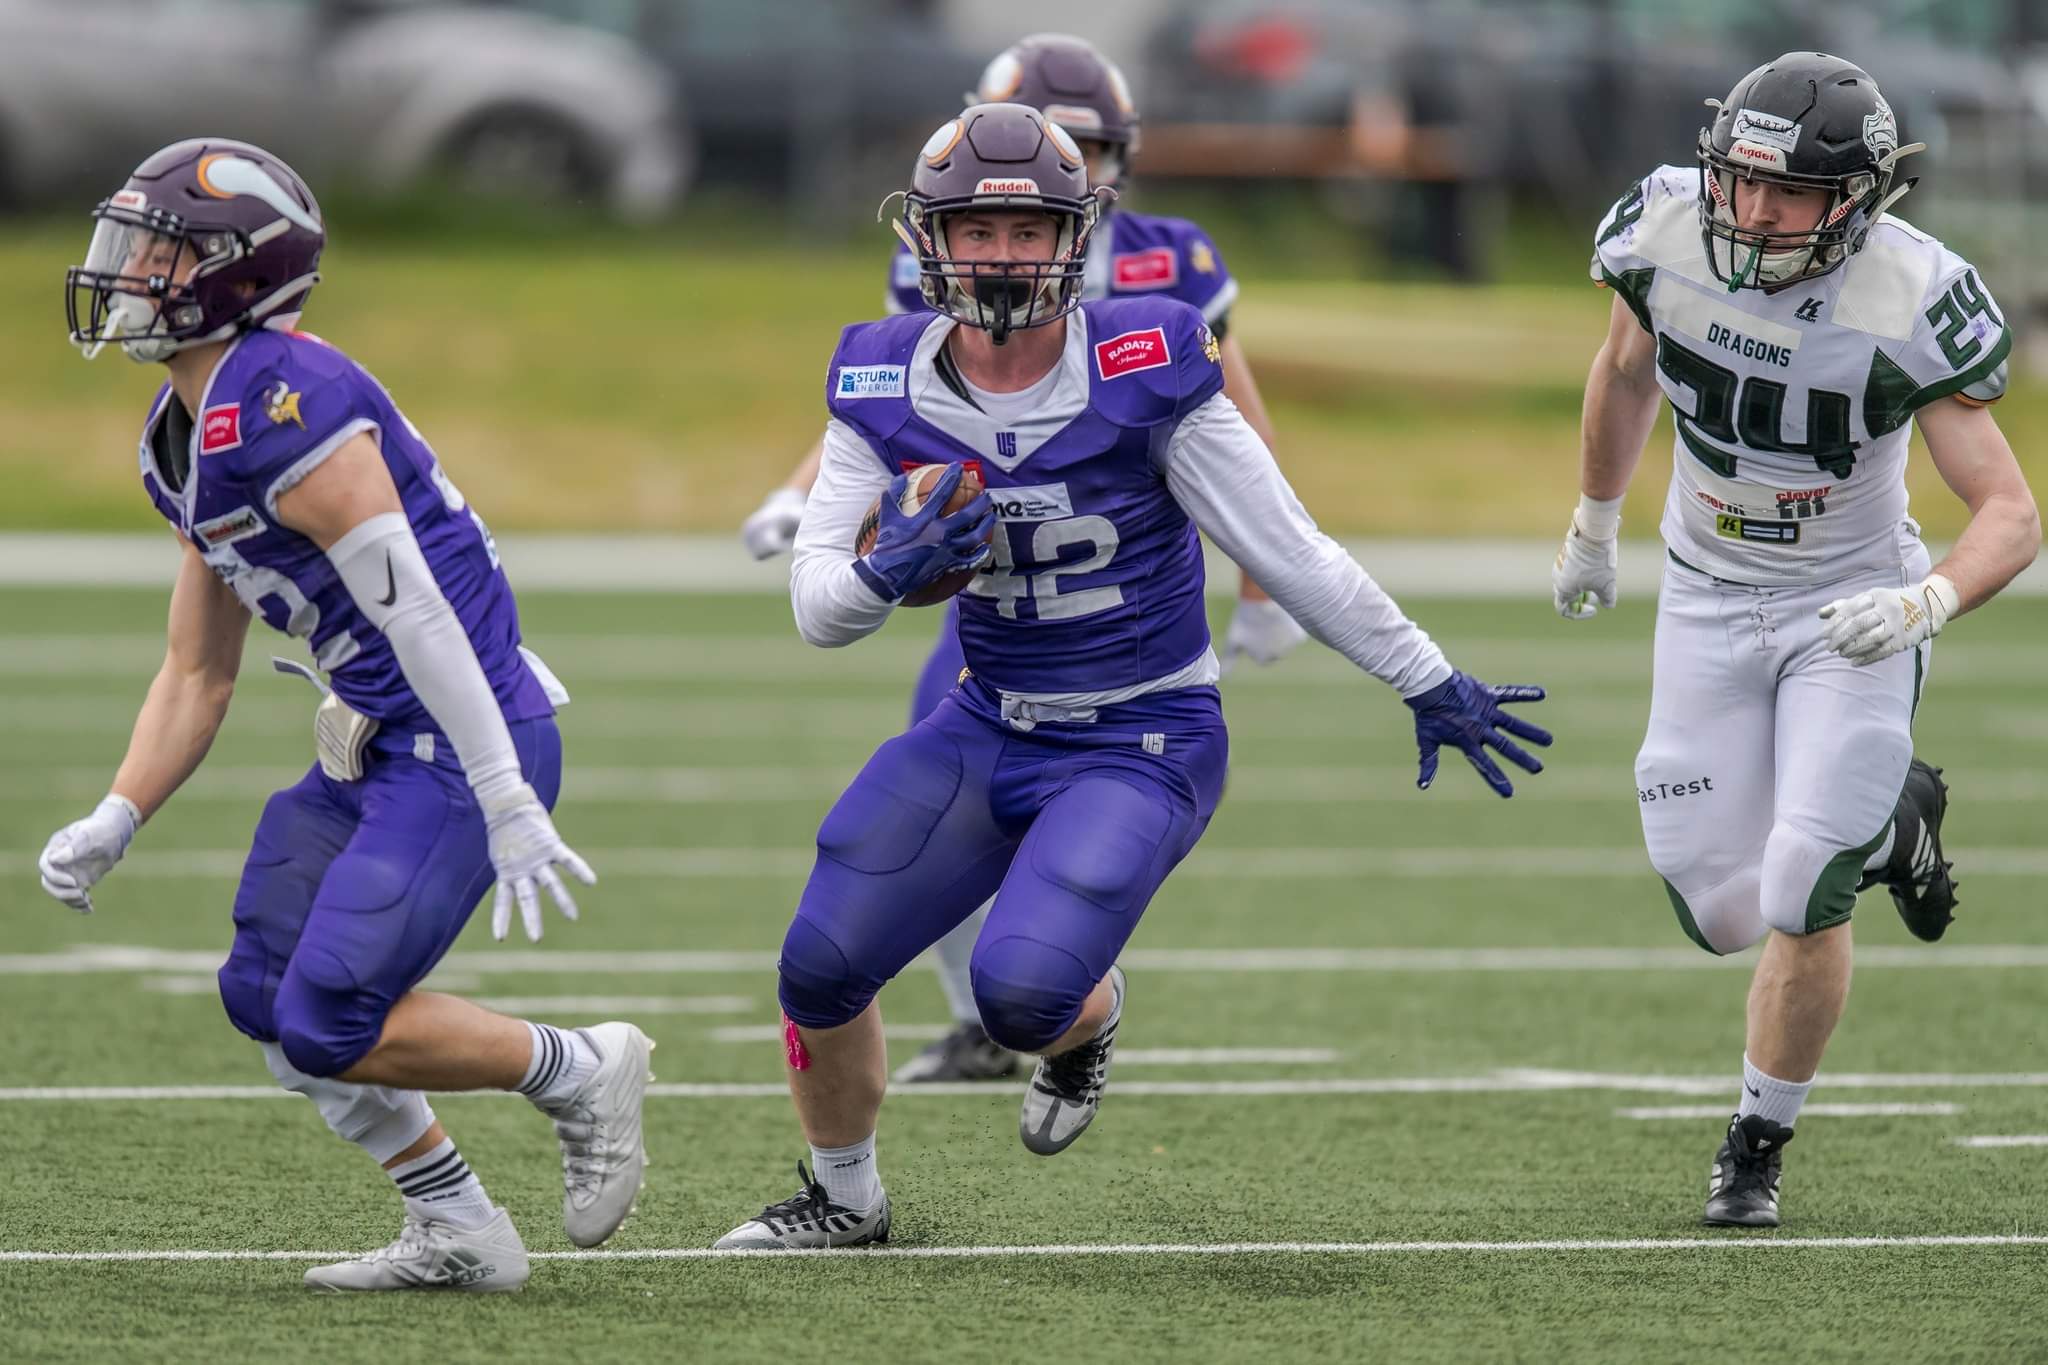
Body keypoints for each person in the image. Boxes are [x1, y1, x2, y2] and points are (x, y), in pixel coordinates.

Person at [715, 102, 1551, 1250]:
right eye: (974, 230)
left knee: (1020, 999)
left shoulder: (1143, 359)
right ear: (927, 239)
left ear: (1074, 237)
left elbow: (1286, 545)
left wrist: (1426, 677)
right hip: (986, 721)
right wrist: (884, 571)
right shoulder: (877, 377)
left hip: (1141, 737)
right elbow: (819, 612)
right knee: (817, 963)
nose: (1000, 257)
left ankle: (1085, 1022)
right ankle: (843, 1199)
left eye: (1026, 233)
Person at [39, 139, 654, 1291]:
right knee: (262, 996)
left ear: (233, 273)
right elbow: (196, 672)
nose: (127, 267)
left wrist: (504, 796)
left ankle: (577, 1066)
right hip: (373, 741)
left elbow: (420, 610)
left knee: (331, 1017)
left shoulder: (284, 403)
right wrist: (119, 813)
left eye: (161, 248)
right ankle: (460, 1225)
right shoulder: (179, 438)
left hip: (458, 743)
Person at [741, 33, 1309, 1084]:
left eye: (1085, 146)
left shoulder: (1166, 264)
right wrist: (806, 503)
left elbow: (1239, 426)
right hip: (992, 603)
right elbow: (890, 403)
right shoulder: (952, 253)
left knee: (1067, 841)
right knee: (930, 808)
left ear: (1113, 159)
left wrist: (1262, 578)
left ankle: (1054, 1003)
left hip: (1124, 621)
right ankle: (979, 1012)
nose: (1067, 163)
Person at [1552, 54, 2039, 1228]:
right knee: (1714, 905)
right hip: (1704, 592)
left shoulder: (1908, 292)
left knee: (1798, 879)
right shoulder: (1665, 227)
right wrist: (1593, 522)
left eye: (1791, 194)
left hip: (1848, 610)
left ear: (1861, 198)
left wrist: (1922, 603)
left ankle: (1754, 1141)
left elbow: (2011, 514)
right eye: (1742, 182)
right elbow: (1623, 372)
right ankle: (1894, 826)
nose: (1755, 213)